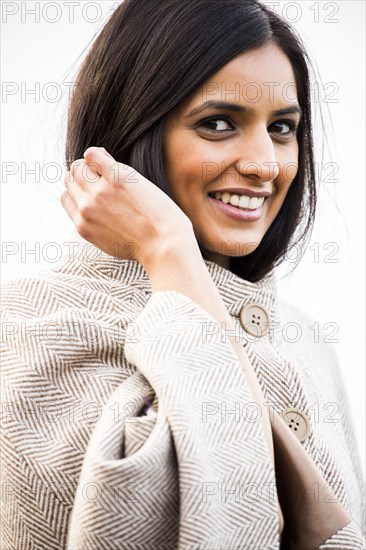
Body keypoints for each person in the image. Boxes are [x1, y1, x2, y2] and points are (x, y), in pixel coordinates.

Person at [1, 0, 365, 548]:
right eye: (218, 124)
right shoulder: (26, 328)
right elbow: (143, 522)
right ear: (130, 132)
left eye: (283, 128)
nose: (265, 163)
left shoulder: (305, 341)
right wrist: (167, 249)